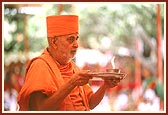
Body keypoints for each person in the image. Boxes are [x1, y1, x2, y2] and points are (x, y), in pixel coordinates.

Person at [17, 15, 121, 111]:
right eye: (70, 39)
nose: (76, 44)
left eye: (76, 39)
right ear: (54, 42)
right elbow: (41, 109)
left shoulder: (74, 68)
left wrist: (105, 86)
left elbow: (90, 103)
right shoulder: (40, 66)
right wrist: (72, 83)